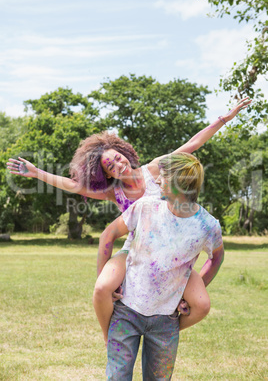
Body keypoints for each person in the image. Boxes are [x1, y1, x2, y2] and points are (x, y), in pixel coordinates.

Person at [6, 97, 250, 324]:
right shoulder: (114, 192)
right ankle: (109, 338)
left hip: (170, 250)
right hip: (135, 248)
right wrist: (37, 172)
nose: (117, 165)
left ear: (124, 153)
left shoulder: (154, 169)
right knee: (102, 288)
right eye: (110, 166)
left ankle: (167, 330)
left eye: (117, 158)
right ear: (107, 174)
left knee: (201, 304)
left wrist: (225, 118)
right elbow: (73, 185)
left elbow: (192, 144)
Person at [94, 153, 224, 380]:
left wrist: (194, 288)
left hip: (166, 322)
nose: (156, 180)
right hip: (126, 313)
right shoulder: (144, 207)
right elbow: (110, 233)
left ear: (178, 182)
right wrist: (104, 275)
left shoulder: (207, 226)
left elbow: (217, 257)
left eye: (163, 176)